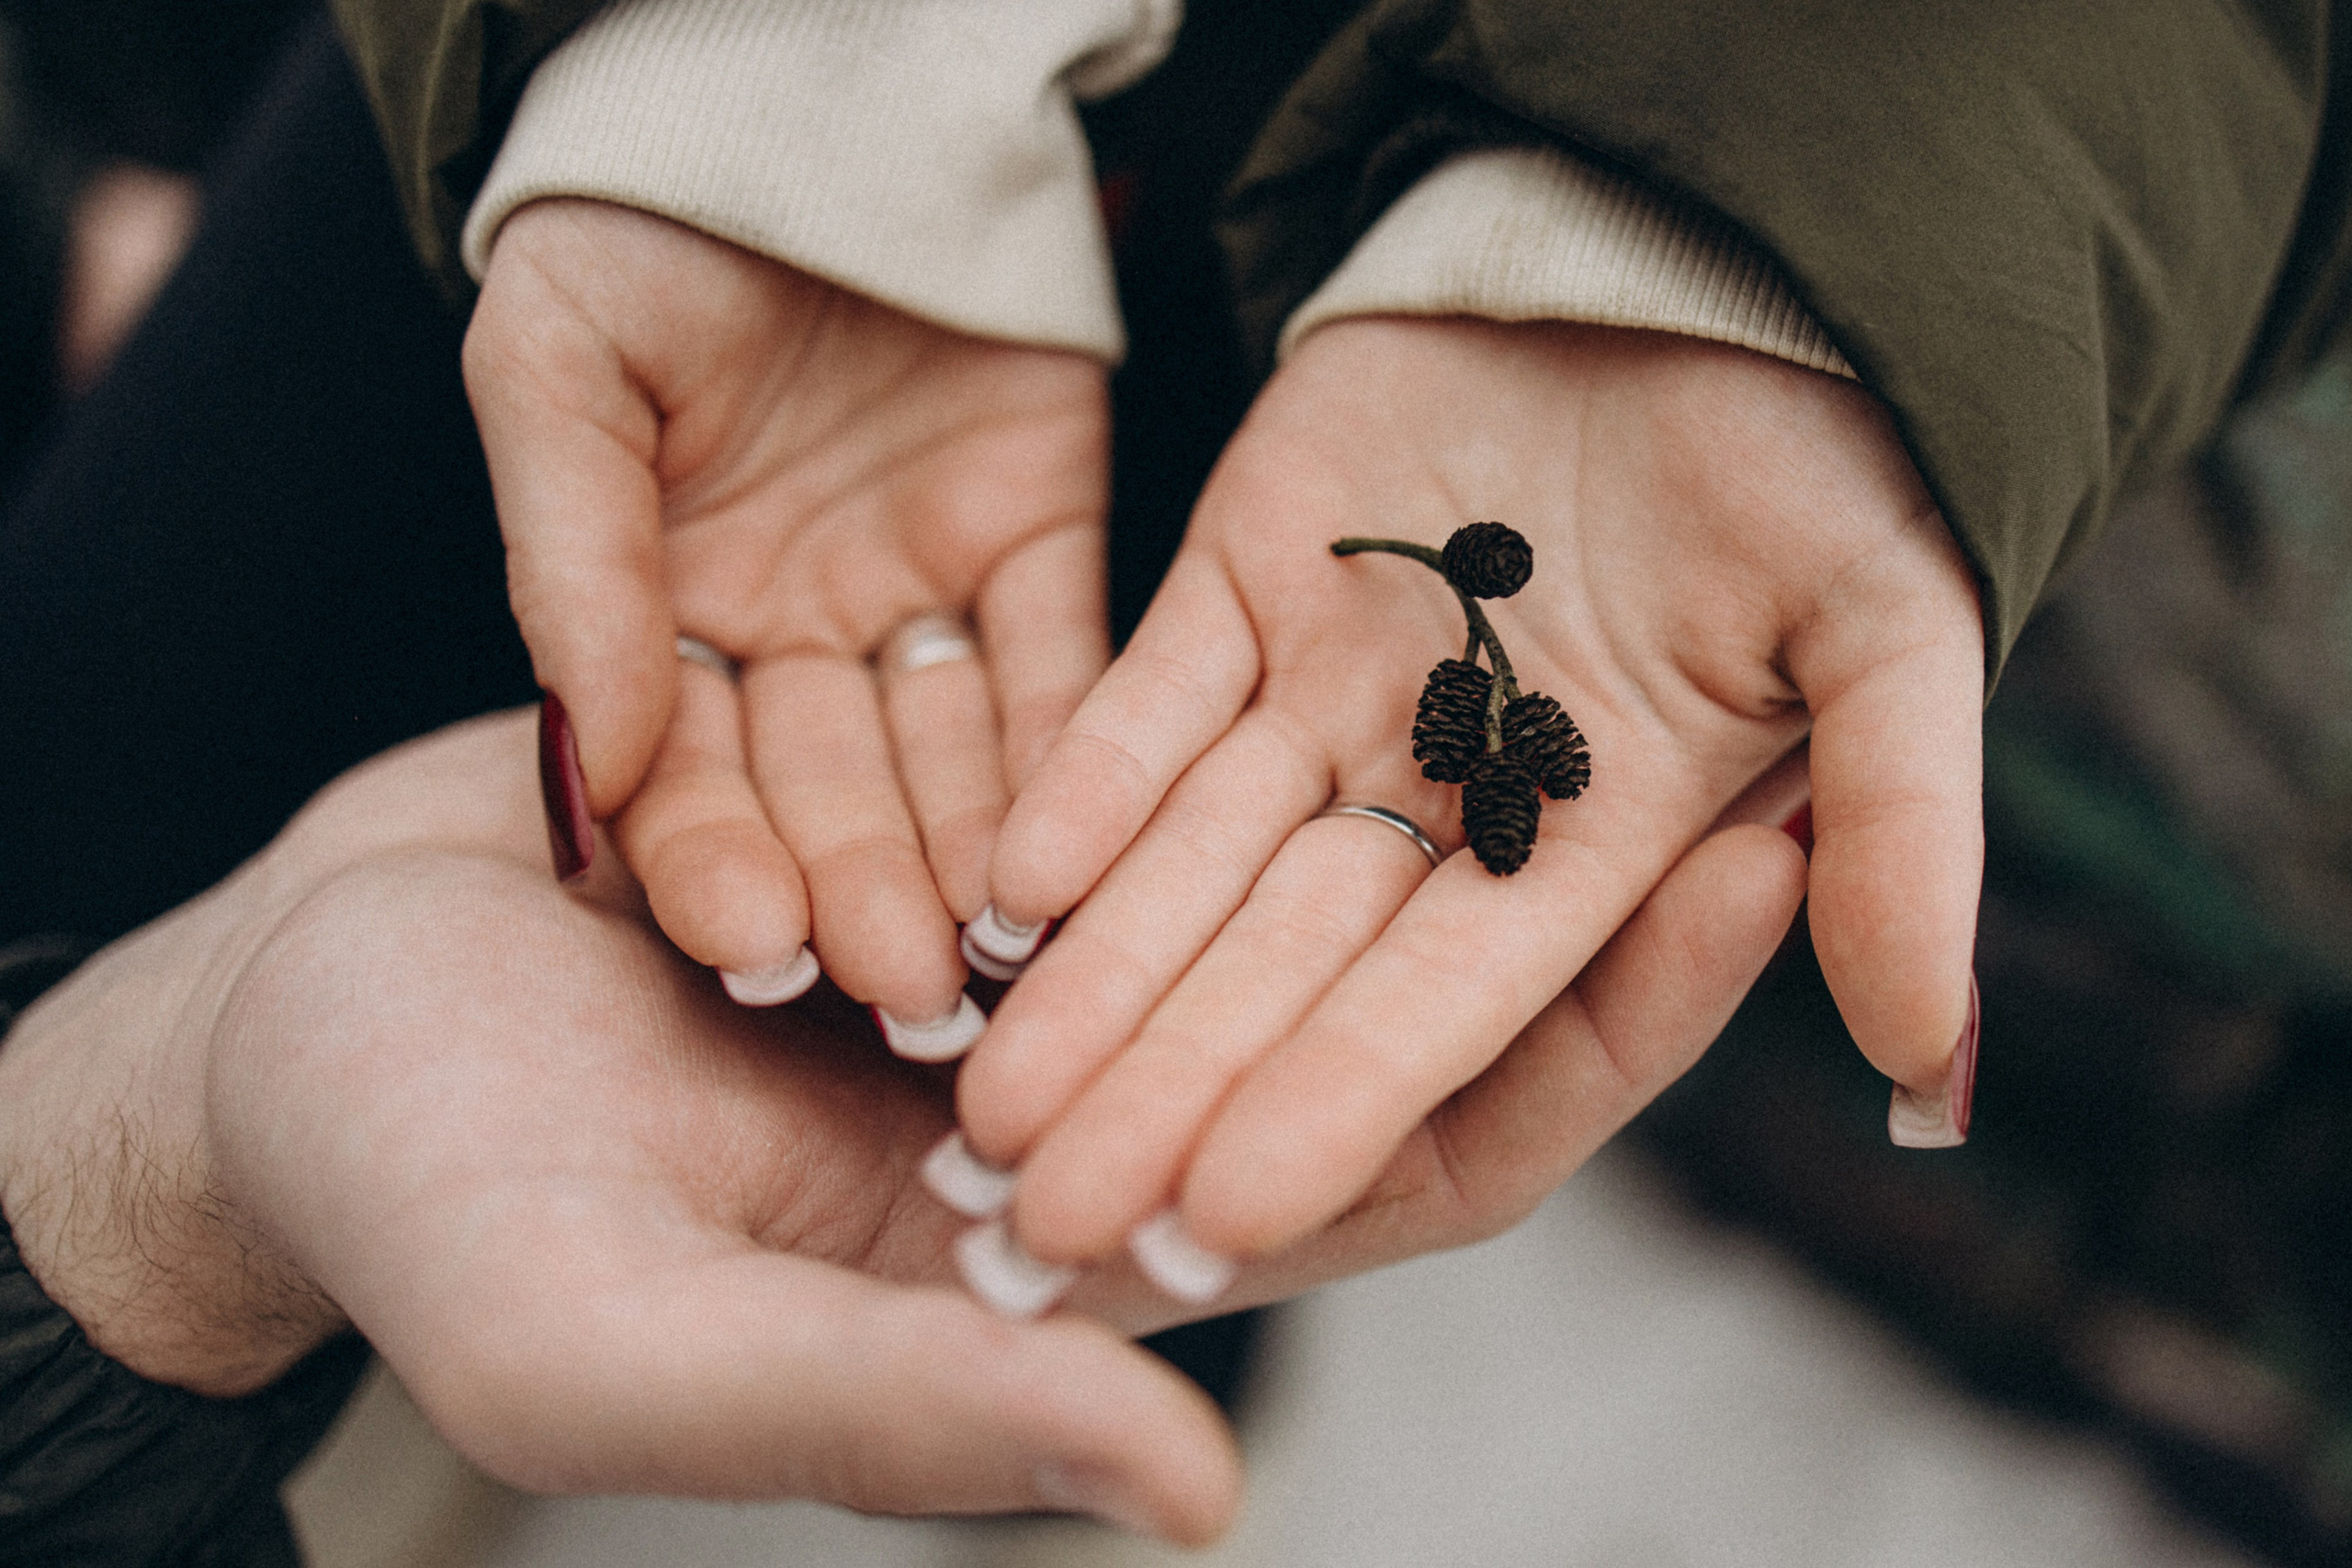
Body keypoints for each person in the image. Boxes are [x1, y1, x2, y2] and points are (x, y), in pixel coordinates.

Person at [371, 0, 2349, 1308]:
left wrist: (1787, 219)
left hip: (1558, 184)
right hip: (697, 202)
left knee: (1182, 1043)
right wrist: (761, 54)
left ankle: (1073, 1438)